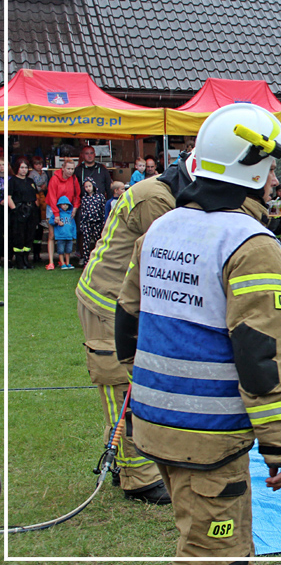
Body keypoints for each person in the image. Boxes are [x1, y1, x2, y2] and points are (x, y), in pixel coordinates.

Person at [115, 103, 281, 560]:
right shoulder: (249, 244)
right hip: (209, 435)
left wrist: (149, 395)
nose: (275, 180)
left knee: (192, 532)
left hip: (155, 423)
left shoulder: (160, 228)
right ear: (251, 166)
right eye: (272, 167)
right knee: (216, 551)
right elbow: (262, 354)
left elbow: (126, 323)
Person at [76, 152, 196, 505]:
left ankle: (125, 461)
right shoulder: (157, 199)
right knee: (123, 384)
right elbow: (170, 260)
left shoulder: (166, 192)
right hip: (109, 300)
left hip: (124, 295)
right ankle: (137, 477)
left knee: (137, 381)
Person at [46, 156, 81, 271]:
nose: (70, 171)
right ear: (63, 168)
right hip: (53, 207)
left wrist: (75, 207)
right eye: (68, 169)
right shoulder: (55, 179)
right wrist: (56, 214)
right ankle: (51, 261)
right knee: (52, 235)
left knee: (66, 233)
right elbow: (51, 197)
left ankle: (64, 260)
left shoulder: (74, 179)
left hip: (67, 209)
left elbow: (77, 195)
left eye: (72, 169)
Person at [8, 157, 39, 269]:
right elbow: (8, 197)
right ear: (17, 168)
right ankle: (19, 261)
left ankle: (26, 259)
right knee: (18, 236)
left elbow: (35, 197)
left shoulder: (30, 181)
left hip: (31, 211)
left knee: (29, 236)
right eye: (22, 167)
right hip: (19, 212)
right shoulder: (12, 181)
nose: (24, 170)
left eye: (26, 167)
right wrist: (15, 211)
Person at [78, 178, 106, 267]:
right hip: (87, 222)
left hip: (97, 221)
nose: (88, 188)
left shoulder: (100, 197)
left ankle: (99, 259)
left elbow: (103, 210)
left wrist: (103, 222)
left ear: (93, 186)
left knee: (98, 240)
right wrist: (82, 224)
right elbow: (82, 211)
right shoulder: (84, 198)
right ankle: (86, 260)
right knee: (86, 241)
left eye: (89, 186)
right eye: (86, 187)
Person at [29, 155, 49, 263]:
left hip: (43, 195)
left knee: (44, 206)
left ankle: (43, 219)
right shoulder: (32, 174)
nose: (39, 166)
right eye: (36, 164)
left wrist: (43, 188)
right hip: (35, 196)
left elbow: (46, 184)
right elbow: (31, 186)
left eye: (40, 164)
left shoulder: (45, 174)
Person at [50, 196, 76, 270]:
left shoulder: (70, 214)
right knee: (61, 251)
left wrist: (73, 234)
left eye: (66, 204)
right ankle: (62, 263)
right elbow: (51, 221)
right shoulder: (57, 214)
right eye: (63, 204)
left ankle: (68, 263)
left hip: (69, 236)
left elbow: (73, 225)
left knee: (68, 250)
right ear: (60, 205)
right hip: (60, 236)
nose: (65, 206)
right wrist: (57, 222)